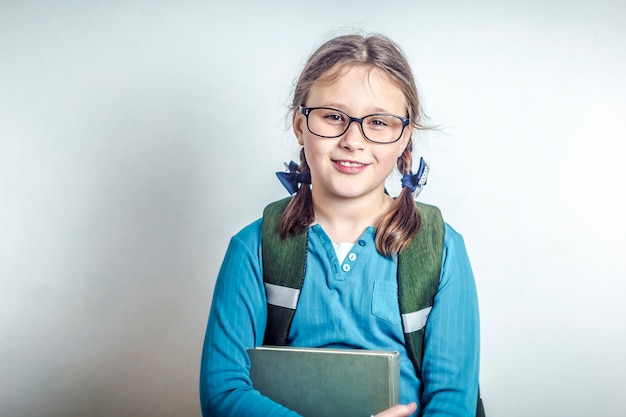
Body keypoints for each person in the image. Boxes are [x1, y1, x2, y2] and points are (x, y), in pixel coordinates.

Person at [199, 33, 480, 417]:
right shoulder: (253, 248)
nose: (353, 140)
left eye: (378, 122)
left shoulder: (441, 249)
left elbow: (452, 402)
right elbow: (223, 392)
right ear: (300, 125)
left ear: (404, 137)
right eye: (333, 116)